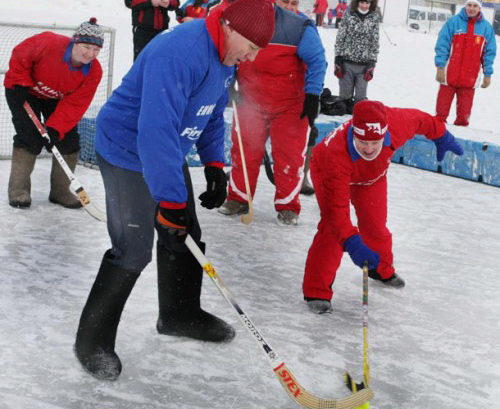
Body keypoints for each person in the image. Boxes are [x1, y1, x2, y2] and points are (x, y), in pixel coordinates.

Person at [74, 0, 275, 381]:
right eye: (250, 47)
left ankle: (179, 315)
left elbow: (211, 112)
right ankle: (92, 342)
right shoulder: (179, 51)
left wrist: (215, 163)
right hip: (127, 149)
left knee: (185, 236)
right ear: (231, 28)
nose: (250, 58)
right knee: (133, 248)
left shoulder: (225, 56)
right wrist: (169, 200)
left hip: (166, 146)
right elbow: (155, 129)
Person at [303, 100, 464, 314]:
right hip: (327, 172)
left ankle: (380, 270)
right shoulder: (336, 155)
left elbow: (422, 120)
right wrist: (352, 243)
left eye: (375, 143)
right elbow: (338, 214)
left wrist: (443, 136)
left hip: (371, 179)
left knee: (376, 226)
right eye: (362, 142)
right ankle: (317, 290)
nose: (369, 149)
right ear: (353, 133)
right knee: (333, 230)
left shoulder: (397, 124)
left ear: (385, 134)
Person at [219, 0, 327, 225]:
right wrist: (229, 85)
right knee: (243, 151)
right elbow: (227, 50)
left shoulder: (299, 26)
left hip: (290, 107)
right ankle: (238, 198)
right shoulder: (240, 19)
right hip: (251, 102)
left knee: (289, 158)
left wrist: (313, 95)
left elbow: (317, 61)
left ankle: (288, 206)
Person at [4, 18, 104, 209]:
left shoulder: (93, 71)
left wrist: (55, 129)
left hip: (57, 98)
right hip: (23, 91)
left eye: (96, 50)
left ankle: (60, 192)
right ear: (75, 41)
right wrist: (19, 82)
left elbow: (76, 104)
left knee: (68, 140)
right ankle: (18, 190)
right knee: (29, 138)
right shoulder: (49, 43)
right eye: (86, 47)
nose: (91, 54)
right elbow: (20, 55)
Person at [434, 0, 496, 127]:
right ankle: (437, 141)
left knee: (463, 119)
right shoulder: (453, 22)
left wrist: (487, 74)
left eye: (475, 6)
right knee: (440, 117)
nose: (471, 8)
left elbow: (489, 53)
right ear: (465, 6)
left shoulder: (486, 28)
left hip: (469, 80)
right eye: (469, 5)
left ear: (480, 8)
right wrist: (440, 67)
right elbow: (442, 45)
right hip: (448, 77)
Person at [334, 0, 380, 111]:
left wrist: (372, 62)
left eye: (368, 3)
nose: (364, 6)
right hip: (347, 63)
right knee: (344, 98)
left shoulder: (374, 18)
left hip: (364, 66)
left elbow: (375, 41)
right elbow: (340, 37)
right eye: (362, 2)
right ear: (357, 2)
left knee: (360, 100)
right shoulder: (348, 14)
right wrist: (338, 58)